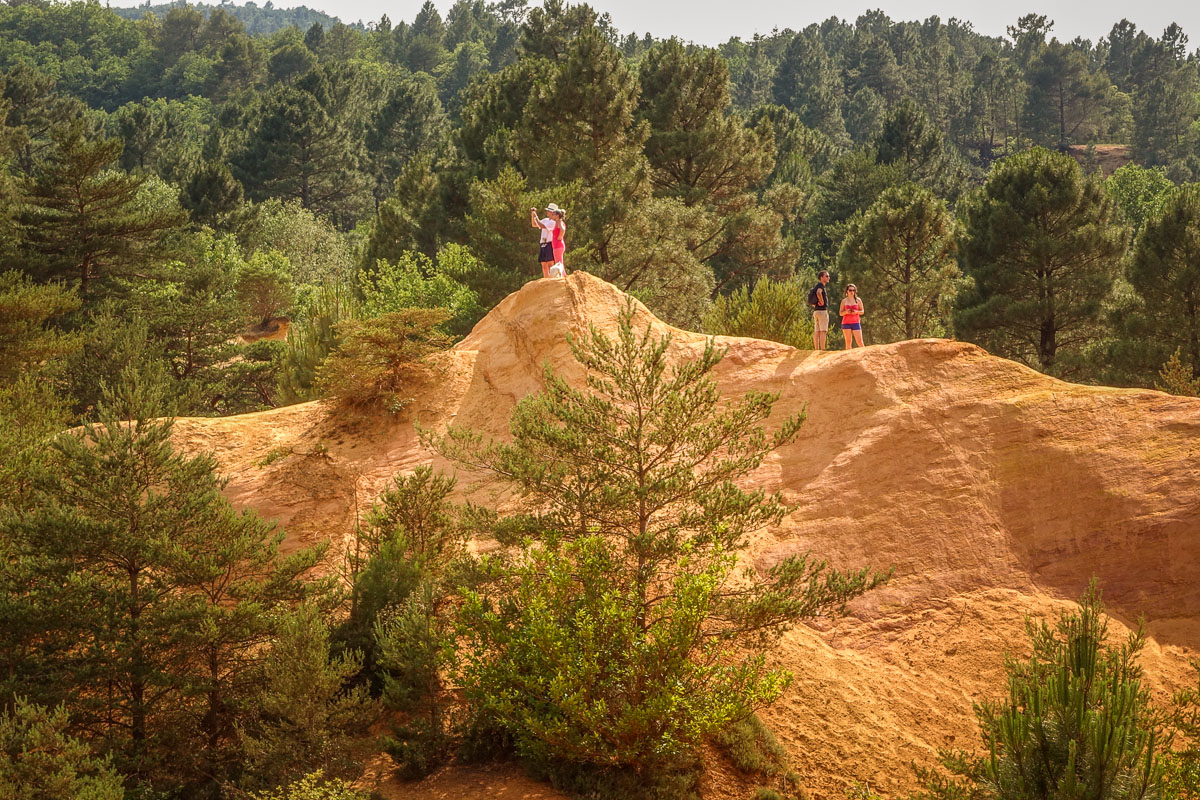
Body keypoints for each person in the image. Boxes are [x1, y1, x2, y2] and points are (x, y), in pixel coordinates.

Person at [530, 205, 561, 278]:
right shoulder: (546, 220)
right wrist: (533, 215)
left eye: (549, 211)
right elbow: (534, 224)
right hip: (542, 243)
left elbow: (541, 225)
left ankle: (552, 278)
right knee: (543, 264)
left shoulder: (553, 222)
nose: (547, 212)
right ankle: (546, 279)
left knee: (550, 263)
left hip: (549, 243)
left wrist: (536, 216)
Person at [808, 270, 832, 350]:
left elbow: (811, 299)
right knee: (823, 331)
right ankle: (822, 349)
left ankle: (816, 349)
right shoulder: (820, 286)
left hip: (816, 311)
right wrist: (821, 301)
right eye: (826, 276)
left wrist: (816, 304)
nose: (828, 277)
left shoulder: (815, 286)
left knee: (816, 331)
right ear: (821, 277)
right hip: (822, 311)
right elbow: (819, 293)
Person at [839, 284, 865, 349]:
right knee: (848, 342)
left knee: (860, 342)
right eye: (850, 290)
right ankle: (848, 357)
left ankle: (865, 355)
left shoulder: (858, 300)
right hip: (846, 323)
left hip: (856, 322)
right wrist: (846, 312)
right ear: (847, 291)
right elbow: (840, 313)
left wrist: (856, 312)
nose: (852, 292)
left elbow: (862, 311)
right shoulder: (844, 301)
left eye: (853, 290)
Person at [549, 203, 566, 271]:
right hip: (556, 245)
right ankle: (562, 276)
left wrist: (560, 237)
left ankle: (562, 277)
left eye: (553, 214)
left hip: (558, 245)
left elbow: (563, 229)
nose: (552, 215)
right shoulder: (557, 222)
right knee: (558, 262)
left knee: (559, 263)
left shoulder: (559, 222)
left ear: (557, 215)